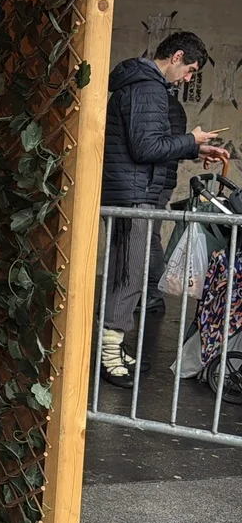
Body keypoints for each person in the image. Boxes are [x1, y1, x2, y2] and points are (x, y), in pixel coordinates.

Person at [99, 31, 229, 387]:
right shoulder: (149, 88)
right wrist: (191, 140)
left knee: (127, 271)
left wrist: (194, 148)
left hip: (128, 190)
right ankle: (108, 355)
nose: (188, 78)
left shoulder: (140, 83)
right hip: (133, 193)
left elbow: (146, 144)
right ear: (177, 56)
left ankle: (112, 346)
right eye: (190, 70)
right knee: (130, 274)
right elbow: (146, 148)